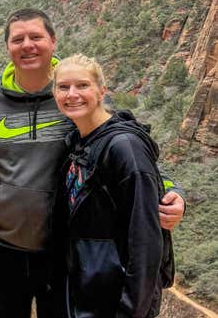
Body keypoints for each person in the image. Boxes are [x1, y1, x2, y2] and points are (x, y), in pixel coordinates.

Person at [0, 8, 185, 318]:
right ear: (7, 46)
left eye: (36, 37)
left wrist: (172, 192)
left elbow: (127, 147)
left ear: (52, 41)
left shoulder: (75, 92)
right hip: (0, 246)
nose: (27, 45)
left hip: (60, 250)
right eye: (18, 39)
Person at [53, 54, 169, 317]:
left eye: (82, 85)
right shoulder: (78, 142)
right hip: (85, 291)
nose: (72, 94)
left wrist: (131, 311)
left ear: (102, 90)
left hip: (115, 300)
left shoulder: (124, 147)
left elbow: (145, 242)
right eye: (63, 87)